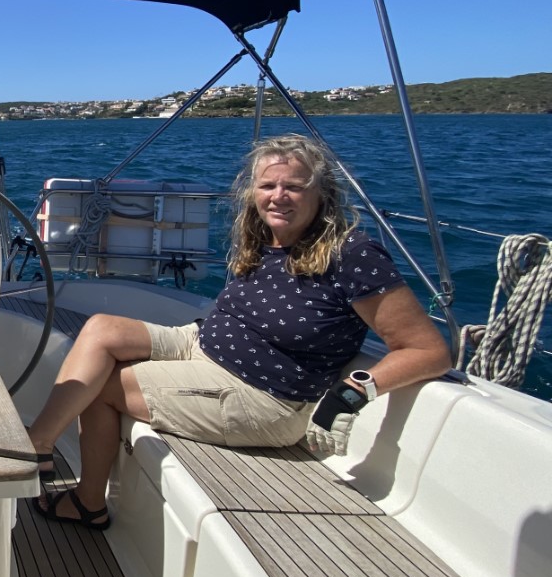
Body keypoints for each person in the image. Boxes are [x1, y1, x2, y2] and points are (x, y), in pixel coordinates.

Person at [27, 133, 452, 530]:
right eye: (268, 186)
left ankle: (88, 502)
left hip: (264, 397)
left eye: (294, 187)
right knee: (102, 328)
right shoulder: (264, 237)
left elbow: (428, 351)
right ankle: (39, 444)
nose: (278, 196)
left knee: (102, 387)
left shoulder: (352, 254)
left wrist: (352, 392)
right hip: (202, 346)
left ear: (321, 194)